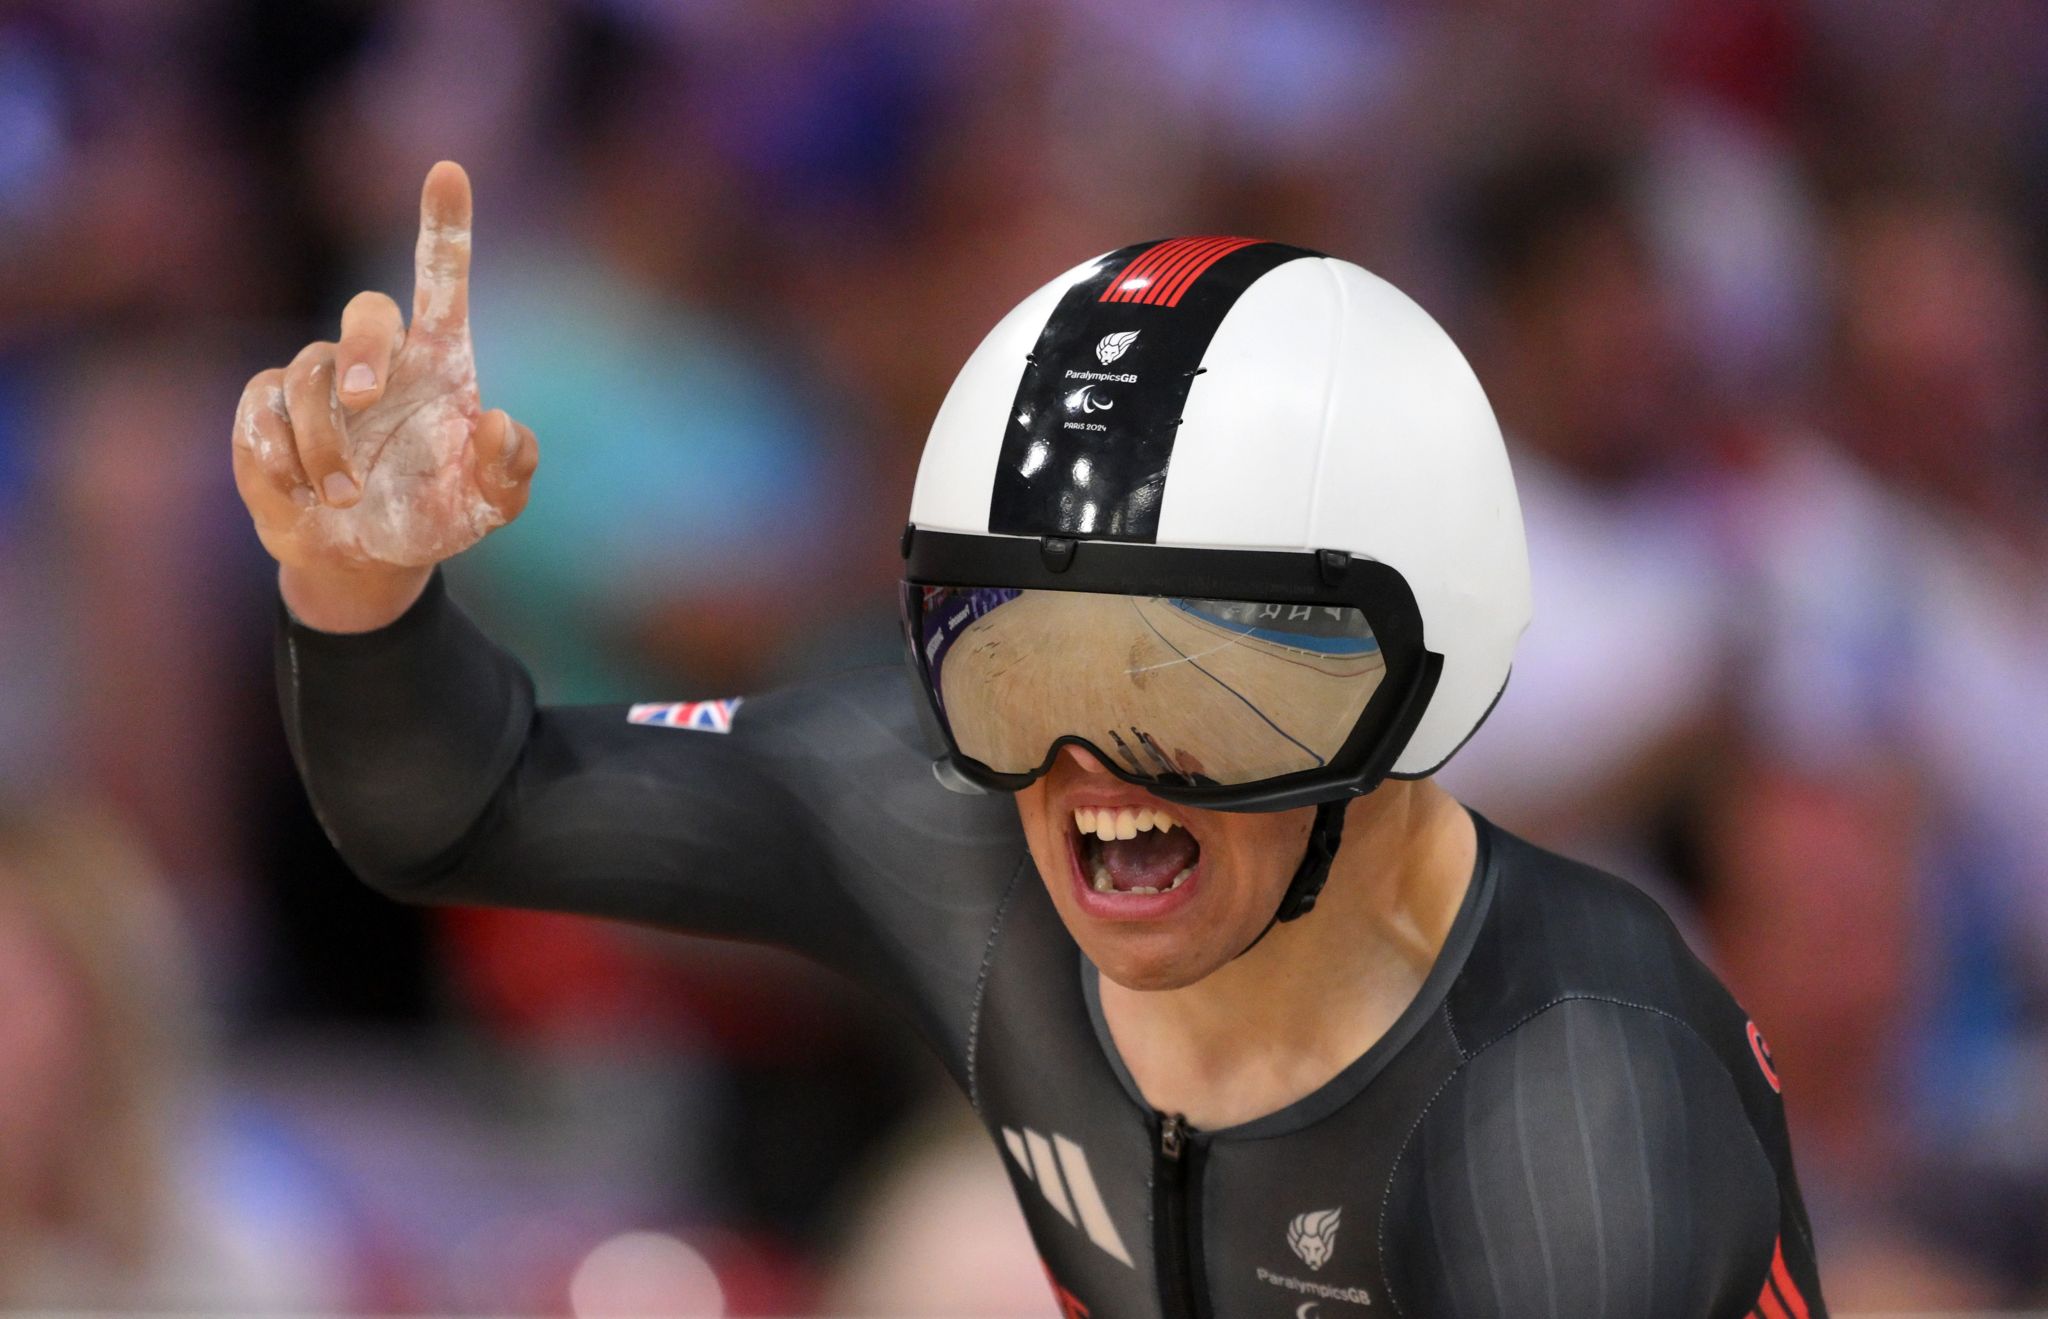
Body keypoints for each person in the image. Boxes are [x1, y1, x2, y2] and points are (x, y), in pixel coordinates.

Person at [237, 162, 1827, 1317]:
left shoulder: (1577, 1098)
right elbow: (464, 800)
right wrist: (358, 586)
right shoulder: (940, 817)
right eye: (1014, 662)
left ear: (1416, 686)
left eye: (1190, 684)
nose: (1093, 773)